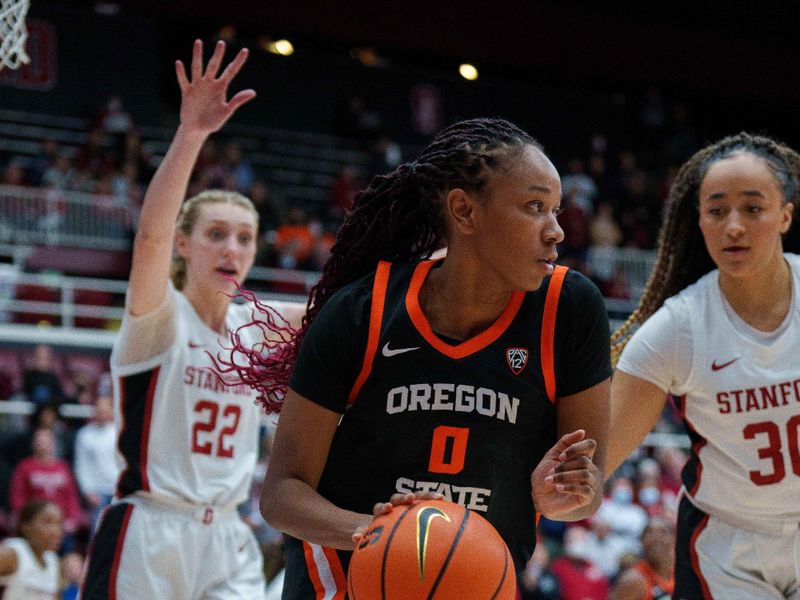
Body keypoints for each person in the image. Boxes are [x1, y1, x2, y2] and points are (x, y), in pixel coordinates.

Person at [232, 117, 612, 598]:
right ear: (464, 211)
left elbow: (588, 489)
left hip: (477, 583)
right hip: (346, 580)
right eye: (535, 207)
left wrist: (560, 498)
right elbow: (283, 492)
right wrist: (380, 536)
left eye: (556, 210)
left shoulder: (570, 309)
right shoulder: (362, 312)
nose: (556, 231)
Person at [79, 40, 304, 599]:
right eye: (216, 234)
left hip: (228, 536)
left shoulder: (258, 326)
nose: (232, 248)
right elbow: (149, 236)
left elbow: (350, 304)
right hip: (150, 530)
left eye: (245, 238)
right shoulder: (159, 318)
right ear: (183, 244)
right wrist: (191, 134)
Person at [608, 132, 800, 599]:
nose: (733, 225)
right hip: (725, 546)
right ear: (700, 221)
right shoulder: (677, 328)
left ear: (785, 216)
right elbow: (596, 460)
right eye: (716, 211)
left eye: (753, 209)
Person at [0, 499, 63, 599]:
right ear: (26, 526)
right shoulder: (13, 552)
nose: (56, 531)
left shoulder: (53, 560)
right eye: (48, 522)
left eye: (59, 524)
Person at [73, 395, 118, 532]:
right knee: (97, 533)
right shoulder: (85, 434)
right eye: (99, 409)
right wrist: (87, 490)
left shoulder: (119, 432)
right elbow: (81, 465)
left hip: (118, 489)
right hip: (97, 492)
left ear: (112, 410)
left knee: (118, 531)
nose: (102, 412)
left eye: (106, 409)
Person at [610, 516, 675, 600]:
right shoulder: (633, 580)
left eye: (663, 532)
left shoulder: (681, 574)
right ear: (642, 542)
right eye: (649, 533)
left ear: (674, 539)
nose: (656, 538)